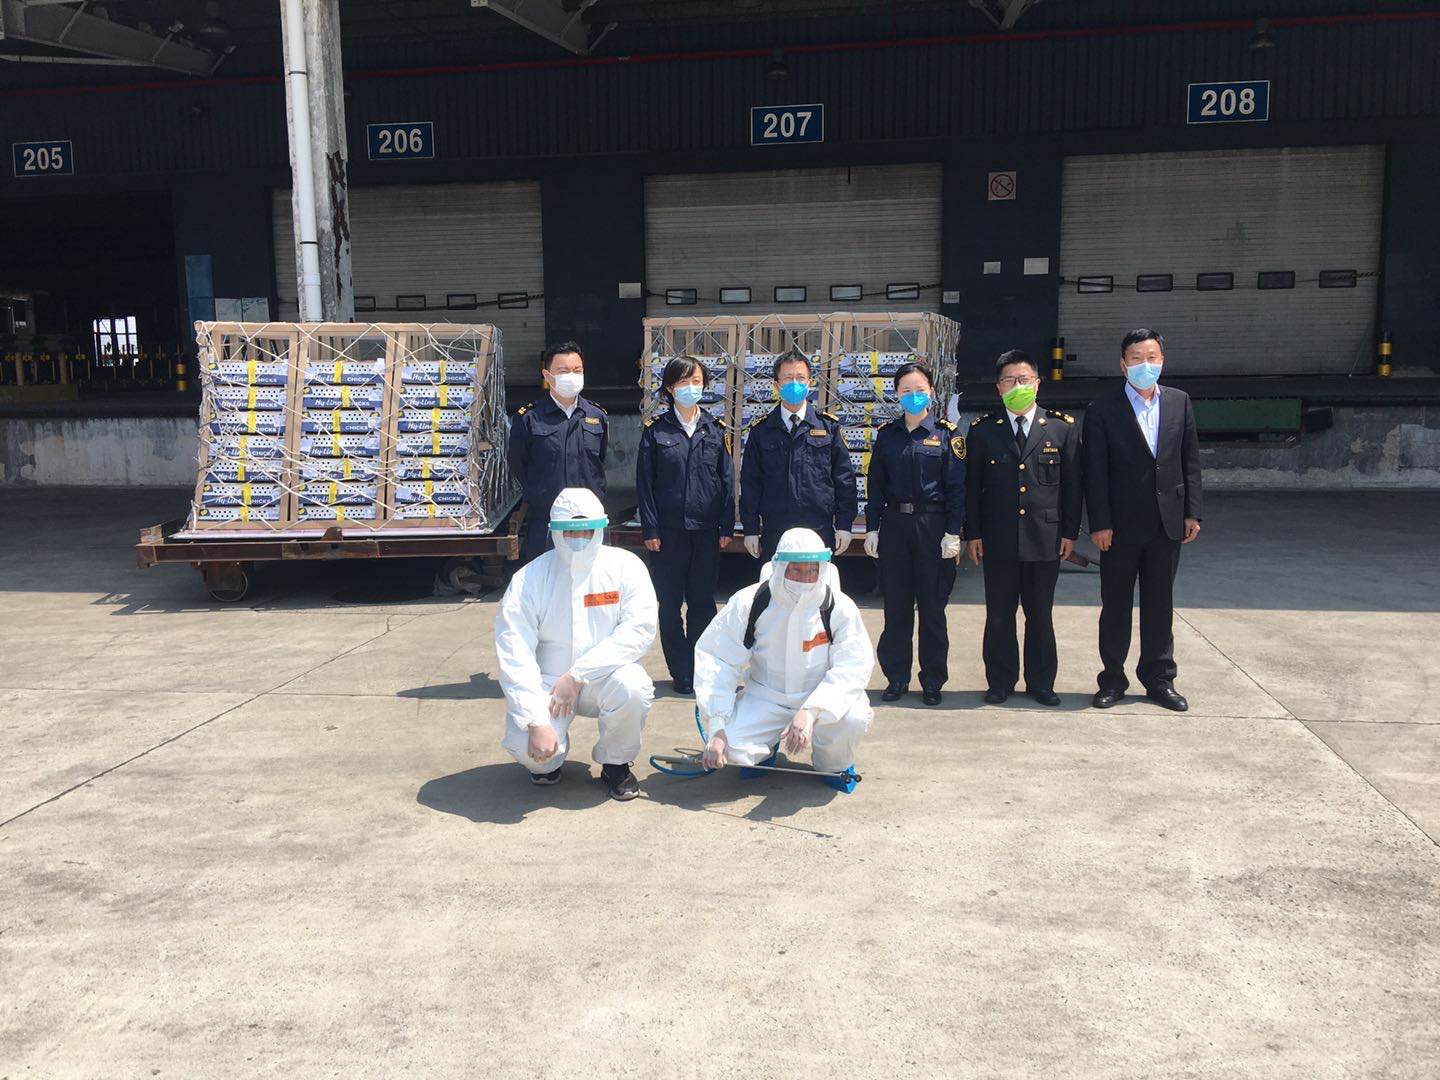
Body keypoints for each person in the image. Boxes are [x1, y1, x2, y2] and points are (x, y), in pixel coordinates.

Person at [493, 487, 657, 800]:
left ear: (601, 528)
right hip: (549, 684)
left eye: (587, 530)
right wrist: (535, 720)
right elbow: (514, 651)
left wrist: (579, 675)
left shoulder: (626, 567)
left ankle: (615, 763)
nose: (579, 538)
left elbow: (638, 630)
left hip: (604, 677)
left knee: (633, 688)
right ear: (554, 532)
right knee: (529, 749)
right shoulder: (530, 579)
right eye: (570, 531)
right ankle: (547, 762)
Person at [1083, 329, 1203, 712]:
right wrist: (1100, 523)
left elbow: (1190, 460)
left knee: (1160, 605)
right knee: (1115, 606)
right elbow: (1094, 472)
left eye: (1151, 357)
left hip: (1167, 523)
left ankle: (1159, 679)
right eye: (1136, 358)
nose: (1144, 365)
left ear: (1162, 361)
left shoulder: (1179, 402)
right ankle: (1112, 679)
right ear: (1123, 365)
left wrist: (1192, 511)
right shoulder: (1102, 408)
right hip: (1118, 528)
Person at [694, 528, 875, 777]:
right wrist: (717, 727)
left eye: (812, 570)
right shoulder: (750, 602)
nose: (804, 578)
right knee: (730, 750)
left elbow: (853, 666)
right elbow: (718, 659)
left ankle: (832, 765)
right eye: (795, 570)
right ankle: (764, 751)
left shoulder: (838, 607)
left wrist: (811, 710)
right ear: (780, 568)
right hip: (766, 697)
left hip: (819, 696)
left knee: (853, 717)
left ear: (822, 570)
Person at [964, 349, 1082, 707]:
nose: (1017, 386)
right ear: (999, 388)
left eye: (1024, 379)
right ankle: (1000, 681)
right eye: (1009, 380)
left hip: (1045, 538)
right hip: (998, 539)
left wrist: (1070, 533)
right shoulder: (983, 431)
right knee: (999, 615)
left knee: (1040, 614)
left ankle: (1041, 682)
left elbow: (1073, 488)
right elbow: (972, 488)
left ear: (1037, 383)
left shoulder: (1061, 428)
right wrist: (973, 533)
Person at [862, 361, 965, 706]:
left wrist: (953, 533)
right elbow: (876, 486)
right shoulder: (887, 435)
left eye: (920, 389)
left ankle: (932, 680)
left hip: (932, 528)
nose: (913, 395)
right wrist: (872, 527)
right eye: (906, 390)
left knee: (933, 609)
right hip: (895, 526)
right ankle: (896, 678)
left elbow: (956, 489)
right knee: (896, 607)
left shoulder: (947, 435)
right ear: (896, 394)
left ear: (931, 392)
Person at [636, 356, 735, 696]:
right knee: (669, 604)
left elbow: (726, 480)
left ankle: (700, 667)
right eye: (683, 382)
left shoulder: (715, 429)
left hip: (705, 532)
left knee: (703, 603)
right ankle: (680, 671)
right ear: (669, 388)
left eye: (696, 382)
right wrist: (650, 529)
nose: (691, 388)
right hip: (668, 534)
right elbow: (645, 484)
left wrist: (726, 526)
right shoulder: (656, 432)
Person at [739, 348, 858, 563]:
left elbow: (844, 479)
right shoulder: (761, 431)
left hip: (818, 527)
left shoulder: (828, 427)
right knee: (775, 583)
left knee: (818, 583)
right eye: (788, 378)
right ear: (776, 385)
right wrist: (750, 529)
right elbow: (750, 483)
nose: (795, 383)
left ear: (810, 383)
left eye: (800, 378)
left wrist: (844, 525)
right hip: (775, 528)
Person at [507, 341, 608, 564]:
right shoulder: (530, 418)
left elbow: (600, 460)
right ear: (547, 375)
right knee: (546, 579)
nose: (571, 376)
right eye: (563, 371)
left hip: (589, 520)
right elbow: (518, 464)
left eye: (577, 370)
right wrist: (540, 494)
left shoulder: (596, 415)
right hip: (546, 520)